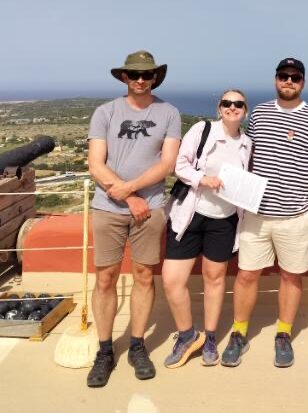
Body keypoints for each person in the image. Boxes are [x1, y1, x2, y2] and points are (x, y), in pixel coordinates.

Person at [220, 58, 308, 368]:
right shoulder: (258, 113)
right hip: (257, 213)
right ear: (275, 79)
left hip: (296, 216)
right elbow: (248, 155)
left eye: (295, 77)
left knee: (291, 277)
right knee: (246, 275)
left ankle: (283, 334)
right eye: (284, 76)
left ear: (303, 82)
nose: (289, 81)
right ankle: (239, 332)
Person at [86, 50, 181, 387]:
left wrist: (136, 194)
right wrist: (132, 196)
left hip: (151, 208)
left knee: (143, 276)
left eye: (147, 74)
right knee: (105, 279)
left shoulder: (168, 112)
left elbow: (166, 164)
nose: (141, 80)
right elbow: (96, 164)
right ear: (124, 77)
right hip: (110, 208)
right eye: (134, 74)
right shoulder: (105, 112)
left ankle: (137, 345)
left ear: (155, 77)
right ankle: (104, 349)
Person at [162, 90, 251, 368]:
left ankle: (210, 336)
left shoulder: (247, 143)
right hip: (190, 216)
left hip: (223, 220)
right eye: (227, 103)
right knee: (172, 280)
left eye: (238, 104)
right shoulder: (203, 129)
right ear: (219, 107)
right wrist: (204, 179)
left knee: (214, 279)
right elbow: (179, 164)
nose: (232, 108)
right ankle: (188, 334)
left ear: (245, 110)